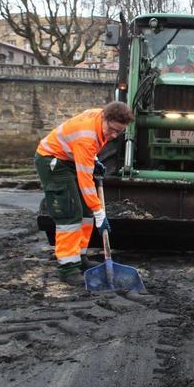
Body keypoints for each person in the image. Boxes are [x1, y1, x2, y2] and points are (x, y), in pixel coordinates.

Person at [35, 102, 134, 285]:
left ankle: (79, 258)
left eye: (118, 132)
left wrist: (93, 159)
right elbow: (86, 181)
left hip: (69, 157)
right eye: (112, 130)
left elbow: (86, 150)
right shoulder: (86, 137)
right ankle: (68, 269)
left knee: (85, 212)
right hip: (53, 161)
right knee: (70, 214)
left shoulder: (99, 117)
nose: (113, 135)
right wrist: (99, 212)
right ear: (104, 118)